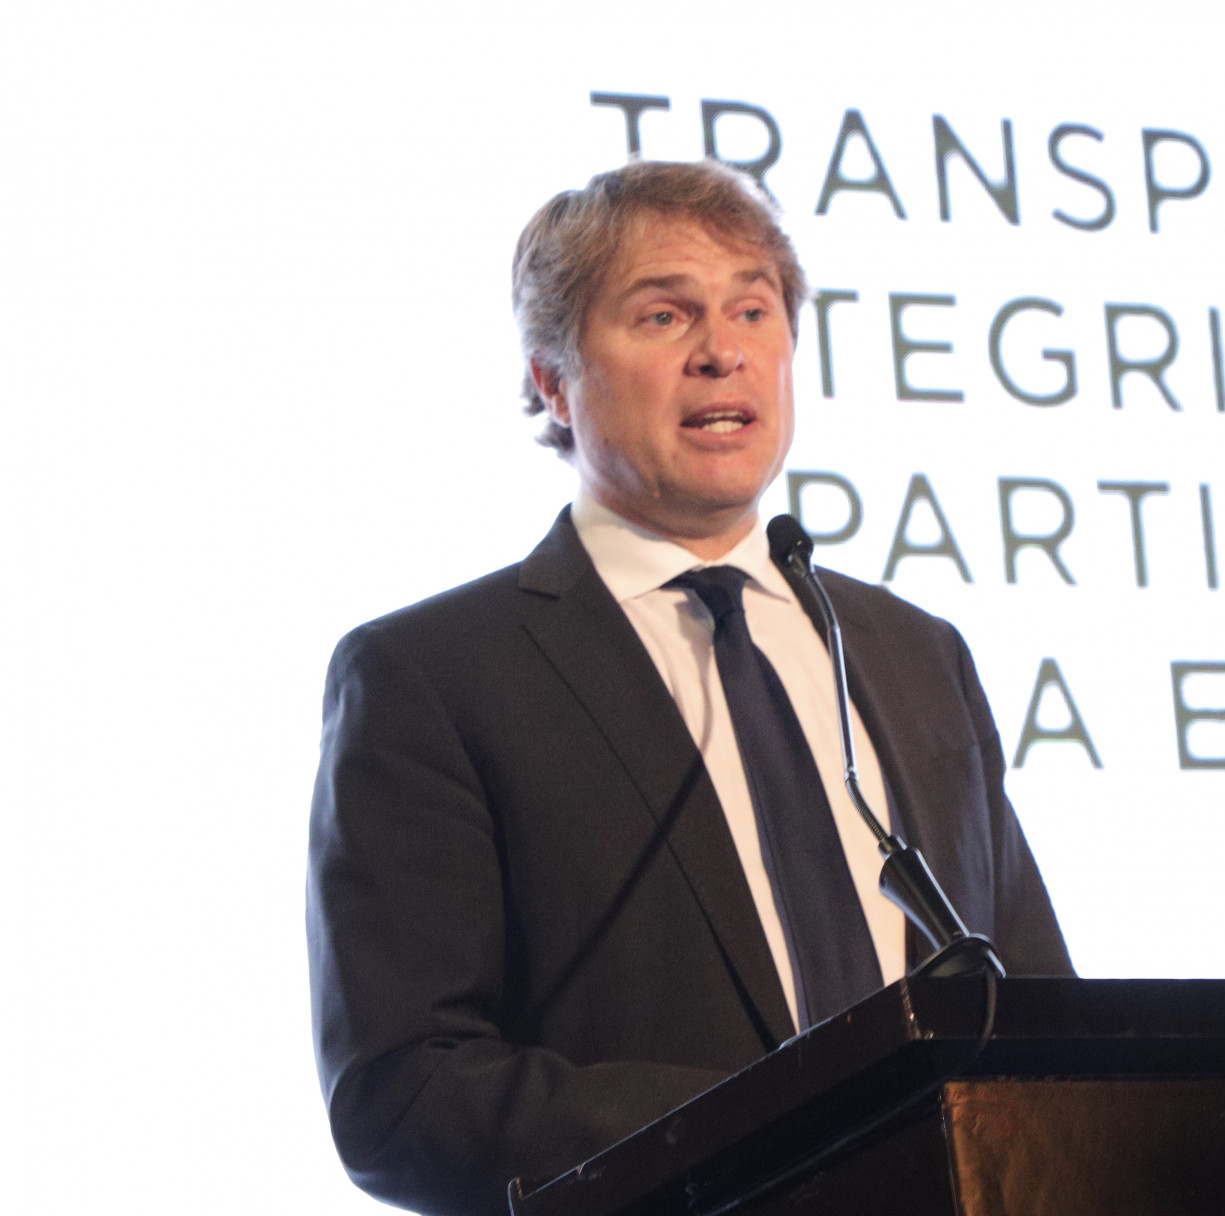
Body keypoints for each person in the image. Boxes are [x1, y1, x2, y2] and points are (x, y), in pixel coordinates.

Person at [305, 158, 1072, 1216]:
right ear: (552, 378)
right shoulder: (434, 676)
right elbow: (403, 1096)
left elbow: (1035, 1021)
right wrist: (775, 1128)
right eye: (665, 315)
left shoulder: (912, 653)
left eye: (753, 310)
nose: (723, 350)